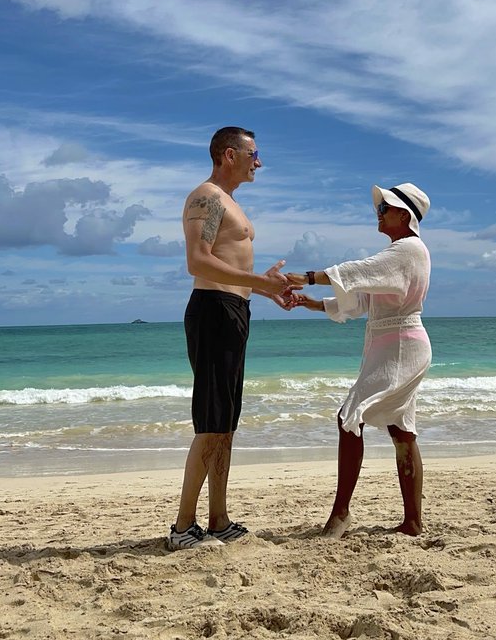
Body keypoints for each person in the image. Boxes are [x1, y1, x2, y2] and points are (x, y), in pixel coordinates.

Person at [168, 126, 292, 551]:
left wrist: (266, 289)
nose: (259, 162)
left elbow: (229, 267)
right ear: (228, 155)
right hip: (213, 311)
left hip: (234, 311)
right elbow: (198, 261)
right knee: (211, 422)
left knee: (225, 423)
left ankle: (218, 520)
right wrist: (259, 282)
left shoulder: (230, 202)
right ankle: (183, 527)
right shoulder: (206, 197)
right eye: (253, 154)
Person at [287, 183, 431, 538]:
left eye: (384, 208)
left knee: (349, 417)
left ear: (404, 216)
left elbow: (357, 272)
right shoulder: (403, 254)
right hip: (398, 344)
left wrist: (308, 278)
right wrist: (312, 303)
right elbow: (365, 299)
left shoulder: (406, 250)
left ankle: (341, 513)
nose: (377, 213)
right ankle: (412, 522)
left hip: (399, 345)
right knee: (401, 429)